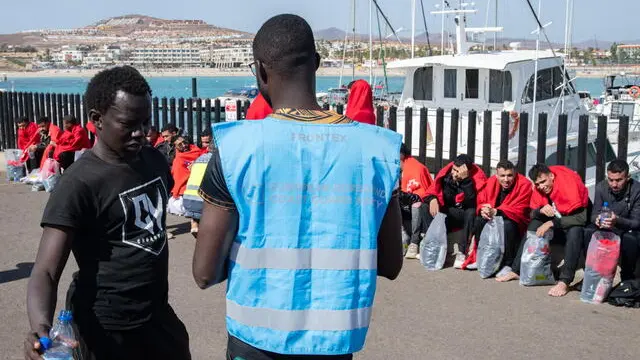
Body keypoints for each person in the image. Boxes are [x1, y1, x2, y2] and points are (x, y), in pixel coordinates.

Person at [193, 14, 403, 359]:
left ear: (260, 70)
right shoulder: (377, 150)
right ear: (317, 64)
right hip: (334, 345)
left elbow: (204, 274)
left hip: (255, 341)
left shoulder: (236, 149)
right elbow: (391, 264)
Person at [24, 65, 191, 360]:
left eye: (146, 122)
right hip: (103, 328)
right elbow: (46, 270)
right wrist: (41, 327)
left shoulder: (153, 160)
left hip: (157, 318)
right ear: (97, 120)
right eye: (129, 124)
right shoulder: (78, 183)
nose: (141, 133)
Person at [497, 164, 589, 298]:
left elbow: (582, 218)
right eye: (538, 184)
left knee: (575, 231)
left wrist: (551, 222)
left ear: (551, 176)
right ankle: (516, 270)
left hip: (574, 225)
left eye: (544, 181)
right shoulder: (540, 191)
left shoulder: (568, 187)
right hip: (557, 228)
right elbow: (531, 214)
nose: (541, 186)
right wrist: (540, 210)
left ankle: (565, 281)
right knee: (534, 224)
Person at [407, 154, 487, 267]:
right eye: (454, 169)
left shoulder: (475, 179)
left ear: (466, 172)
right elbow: (432, 191)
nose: (454, 173)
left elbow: (474, 203)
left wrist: (465, 181)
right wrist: (433, 198)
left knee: (471, 211)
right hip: (448, 212)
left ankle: (461, 252)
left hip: (463, 215)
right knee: (425, 205)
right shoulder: (447, 174)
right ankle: (432, 244)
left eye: (457, 171)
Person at [473, 160, 532, 276]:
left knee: (508, 225)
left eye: (509, 175)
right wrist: (483, 209)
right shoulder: (491, 182)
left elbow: (521, 209)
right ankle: (483, 257)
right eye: (502, 176)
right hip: (494, 217)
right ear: (496, 175)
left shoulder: (524, 184)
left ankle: (508, 264)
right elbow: (482, 200)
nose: (506, 179)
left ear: (514, 174)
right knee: (479, 220)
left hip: (516, 222)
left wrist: (497, 211)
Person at [585, 160, 640, 282]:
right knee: (588, 231)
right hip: (608, 226)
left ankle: (626, 280)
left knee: (630, 240)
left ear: (627, 178)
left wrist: (618, 220)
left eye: (619, 180)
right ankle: (591, 273)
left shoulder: (637, 190)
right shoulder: (601, 187)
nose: (614, 184)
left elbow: (636, 222)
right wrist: (598, 220)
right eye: (610, 180)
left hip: (627, 228)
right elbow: (594, 214)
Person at [398, 143, 433, 255]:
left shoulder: (415, 168)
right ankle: (403, 238)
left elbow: (421, 196)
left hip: (421, 206)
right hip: (405, 206)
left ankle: (414, 242)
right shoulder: (399, 168)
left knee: (416, 205)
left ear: (401, 154)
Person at [168, 135, 202, 216]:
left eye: (185, 142)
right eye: (180, 144)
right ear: (175, 147)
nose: (184, 145)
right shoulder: (178, 160)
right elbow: (178, 178)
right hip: (185, 191)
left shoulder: (197, 151)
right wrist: (175, 193)